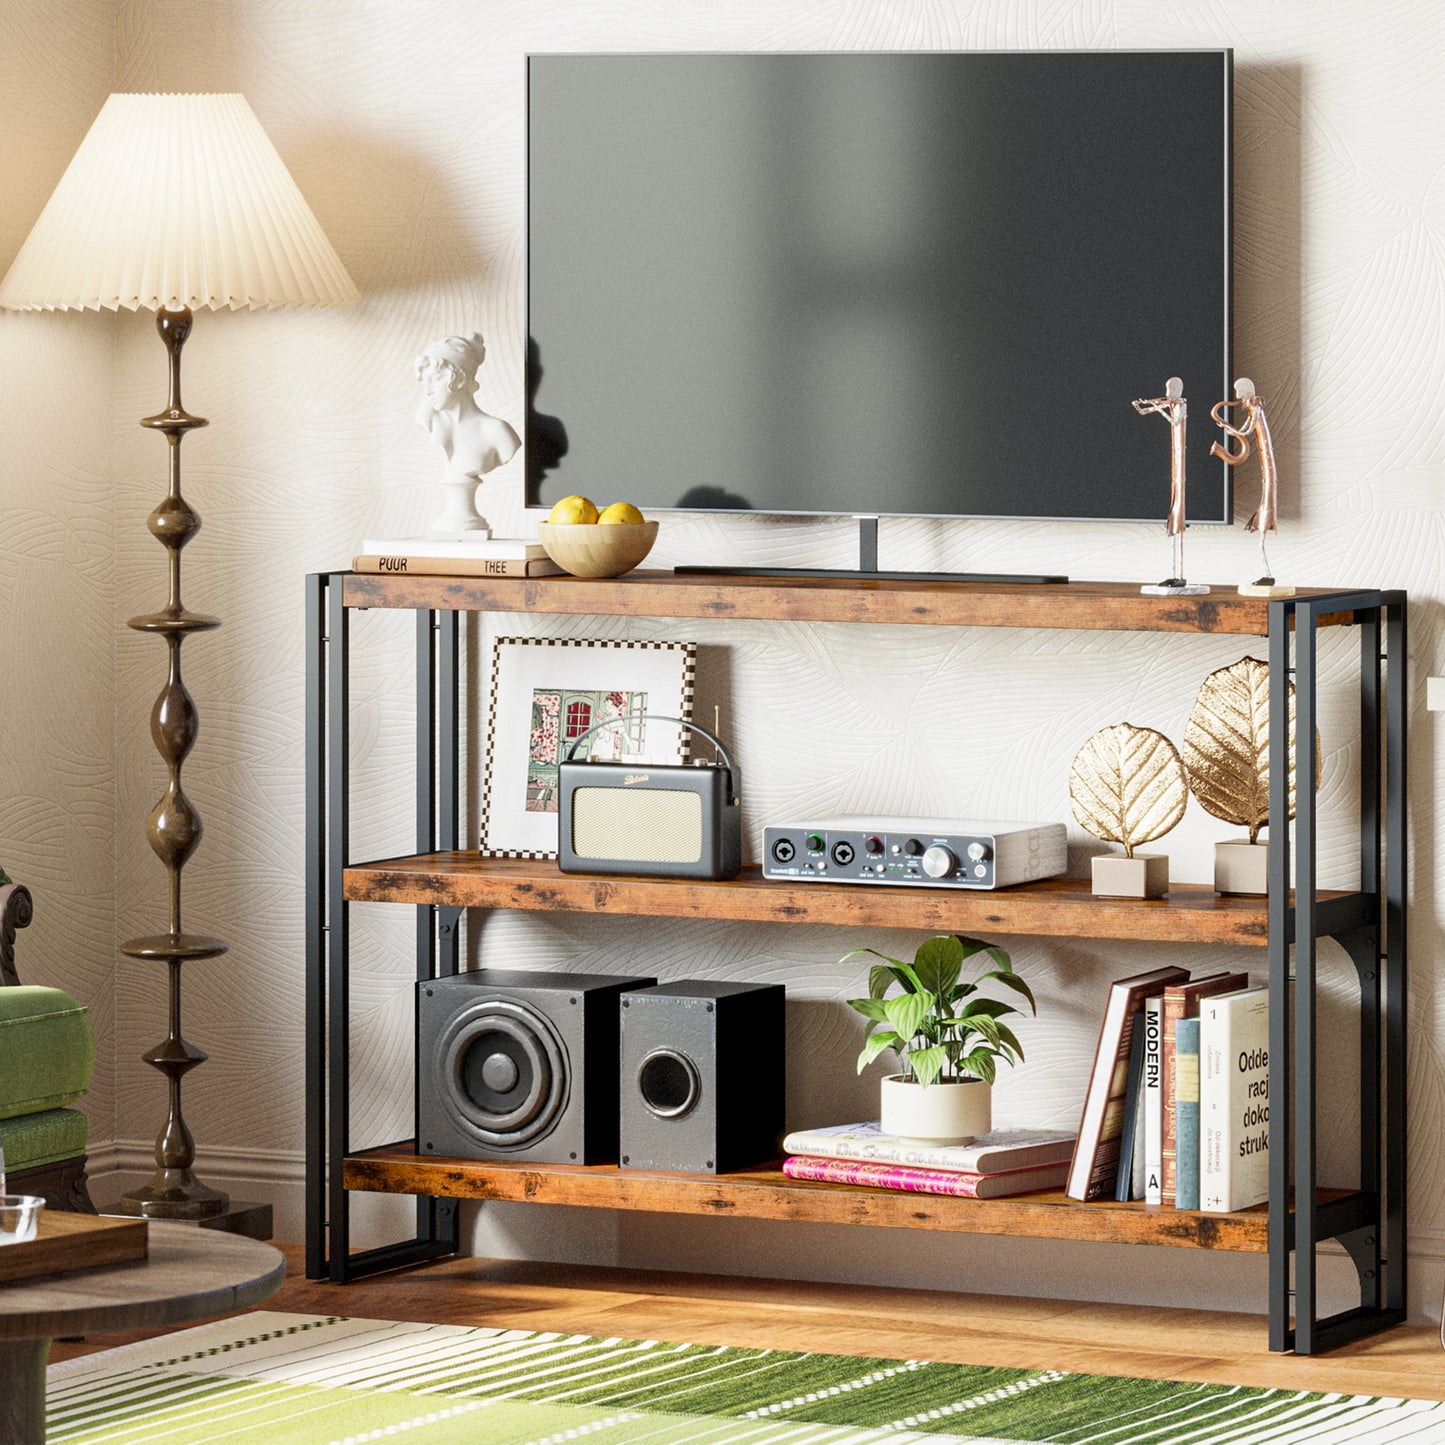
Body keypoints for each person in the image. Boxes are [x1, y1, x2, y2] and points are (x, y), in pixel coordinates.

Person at [415, 332, 520, 534]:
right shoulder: (427, 418)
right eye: (424, 381)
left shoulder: (498, 432)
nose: (427, 390)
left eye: (436, 379)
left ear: (461, 379)